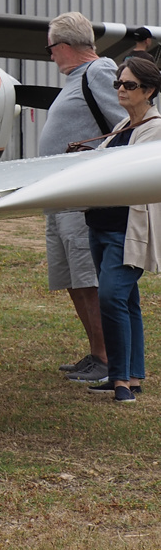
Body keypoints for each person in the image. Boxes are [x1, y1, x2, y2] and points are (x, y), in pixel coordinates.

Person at [40, 12, 126, 384]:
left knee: (87, 276)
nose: (51, 56)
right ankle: (96, 354)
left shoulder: (99, 73)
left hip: (82, 195)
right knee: (73, 277)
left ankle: (106, 358)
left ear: (64, 47)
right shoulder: (80, 77)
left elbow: (125, 125)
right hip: (62, 196)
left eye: (51, 49)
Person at [82, 55, 161, 404]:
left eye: (129, 85)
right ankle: (131, 376)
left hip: (127, 229)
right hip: (101, 226)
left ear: (149, 91)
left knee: (111, 297)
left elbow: (122, 172)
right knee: (126, 301)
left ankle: (119, 382)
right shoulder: (121, 127)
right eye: (118, 84)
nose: (121, 91)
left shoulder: (154, 130)